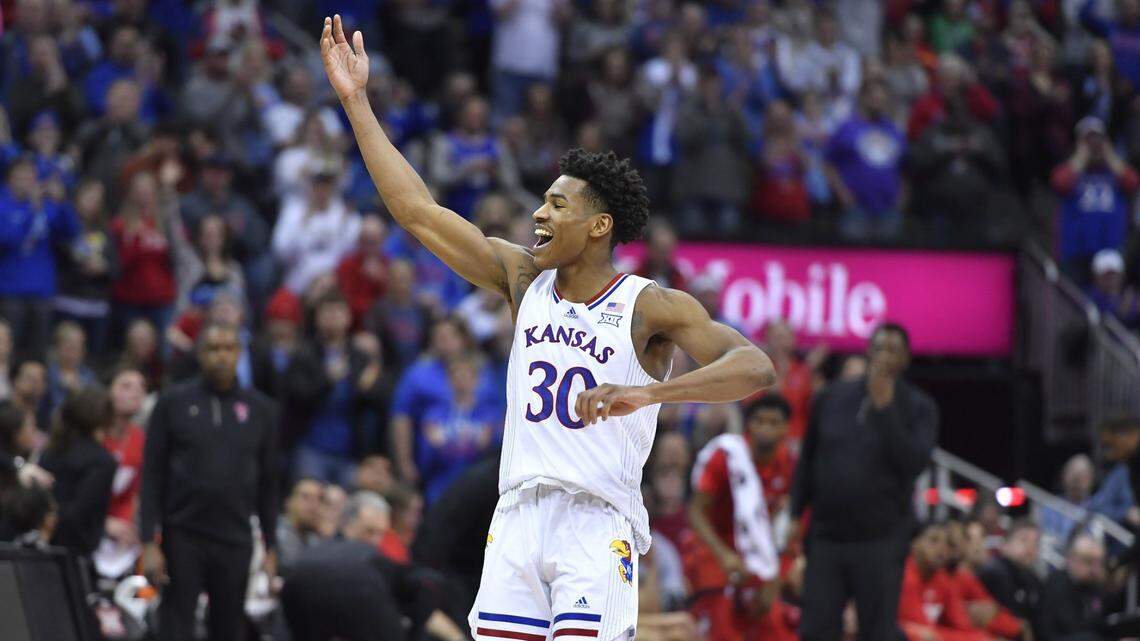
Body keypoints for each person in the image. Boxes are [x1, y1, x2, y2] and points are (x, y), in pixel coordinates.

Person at [321, 15, 777, 641]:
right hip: (517, 516)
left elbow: (756, 366)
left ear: (599, 226)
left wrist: (647, 393)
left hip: (596, 521)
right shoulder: (522, 278)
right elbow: (418, 212)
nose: (538, 213)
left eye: (557, 205)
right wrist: (356, 103)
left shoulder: (649, 306)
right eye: (543, 200)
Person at [790, 322, 939, 641]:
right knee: (815, 630)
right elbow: (808, 459)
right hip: (827, 536)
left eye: (893, 350)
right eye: (879, 347)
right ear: (868, 352)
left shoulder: (920, 407)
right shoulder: (831, 396)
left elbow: (913, 464)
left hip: (881, 540)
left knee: (877, 632)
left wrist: (885, 410)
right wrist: (794, 512)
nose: (884, 356)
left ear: (906, 359)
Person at [139, 322, 280, 641]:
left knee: (229, 628)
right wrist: (148, 541)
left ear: (239, 353)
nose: (222, 356)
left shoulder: (261, 410)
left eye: (229, 349)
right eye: (214, 349)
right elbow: (152, 474)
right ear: (201, 354)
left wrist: (271, 546)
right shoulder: (172, 403)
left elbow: (269, 483)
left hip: (235, 536)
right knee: (175, 627)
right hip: (183, 534)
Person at [686, 394, 797, 641]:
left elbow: (793, 527)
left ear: (786, 428)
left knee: (777, 631)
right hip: (716, 550)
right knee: (723, 629)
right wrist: (724, 555)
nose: (765, 429)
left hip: (759, 555)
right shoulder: (727, 456)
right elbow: (695, 511)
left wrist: (776, 581)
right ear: (749, 424)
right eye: (759, 421)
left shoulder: (790, 465)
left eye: (774, 422)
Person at [39, 385, 117, 557]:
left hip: (40, 543)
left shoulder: (51, 451)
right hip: (74, 553)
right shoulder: (102, 461)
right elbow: (80, 512)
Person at [898, 522, 990, 641]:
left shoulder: (943, 579)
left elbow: (963, 625)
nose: (941, 549)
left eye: (946, 543)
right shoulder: (904, 576)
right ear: (914, 543)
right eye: (933, 540)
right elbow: (927, 634)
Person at [97, 367, 148, 578]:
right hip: (88, 526)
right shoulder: (94, 434)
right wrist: (104, 523)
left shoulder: (140, 439)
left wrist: (127, 526)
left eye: (142, 387)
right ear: (108, 391)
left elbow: (132, 493)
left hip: (119, 536)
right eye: (126, 386)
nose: (136, 392)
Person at [1038, 532, 1108, 641]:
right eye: (1089, 562)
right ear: (1072, 559)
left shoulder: (1092, 585)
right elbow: (1074, 629)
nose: (1095, 570)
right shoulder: (1058, 584)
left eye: (1099, 563)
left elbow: (1101, 622)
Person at [977, 519, 1044, 626]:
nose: (1030, 547)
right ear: (1005, 544)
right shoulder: (993, 572)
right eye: (1024, 540)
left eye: (1035, 543)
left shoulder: (1033, 580)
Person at [277, 478, 328, 577]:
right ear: (288, 501)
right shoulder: (276, 535)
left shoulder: (314, 538)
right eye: (306, 498)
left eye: (319, 499)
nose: (314, 506)